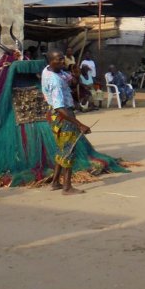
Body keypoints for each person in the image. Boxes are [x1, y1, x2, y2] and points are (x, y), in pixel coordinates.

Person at [41, 50, 93, 195]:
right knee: (69, 150)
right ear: (51, 61)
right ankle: (67, 187)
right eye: (59, 60)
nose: (63, 62)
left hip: (55, 116)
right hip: (63, 116)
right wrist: (79, 124)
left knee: (62, 149)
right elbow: (59, 108)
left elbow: (72, 80)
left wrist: (76, 74)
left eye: (63, 59)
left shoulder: (51, 70)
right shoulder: (54, 80)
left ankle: (56, 182)